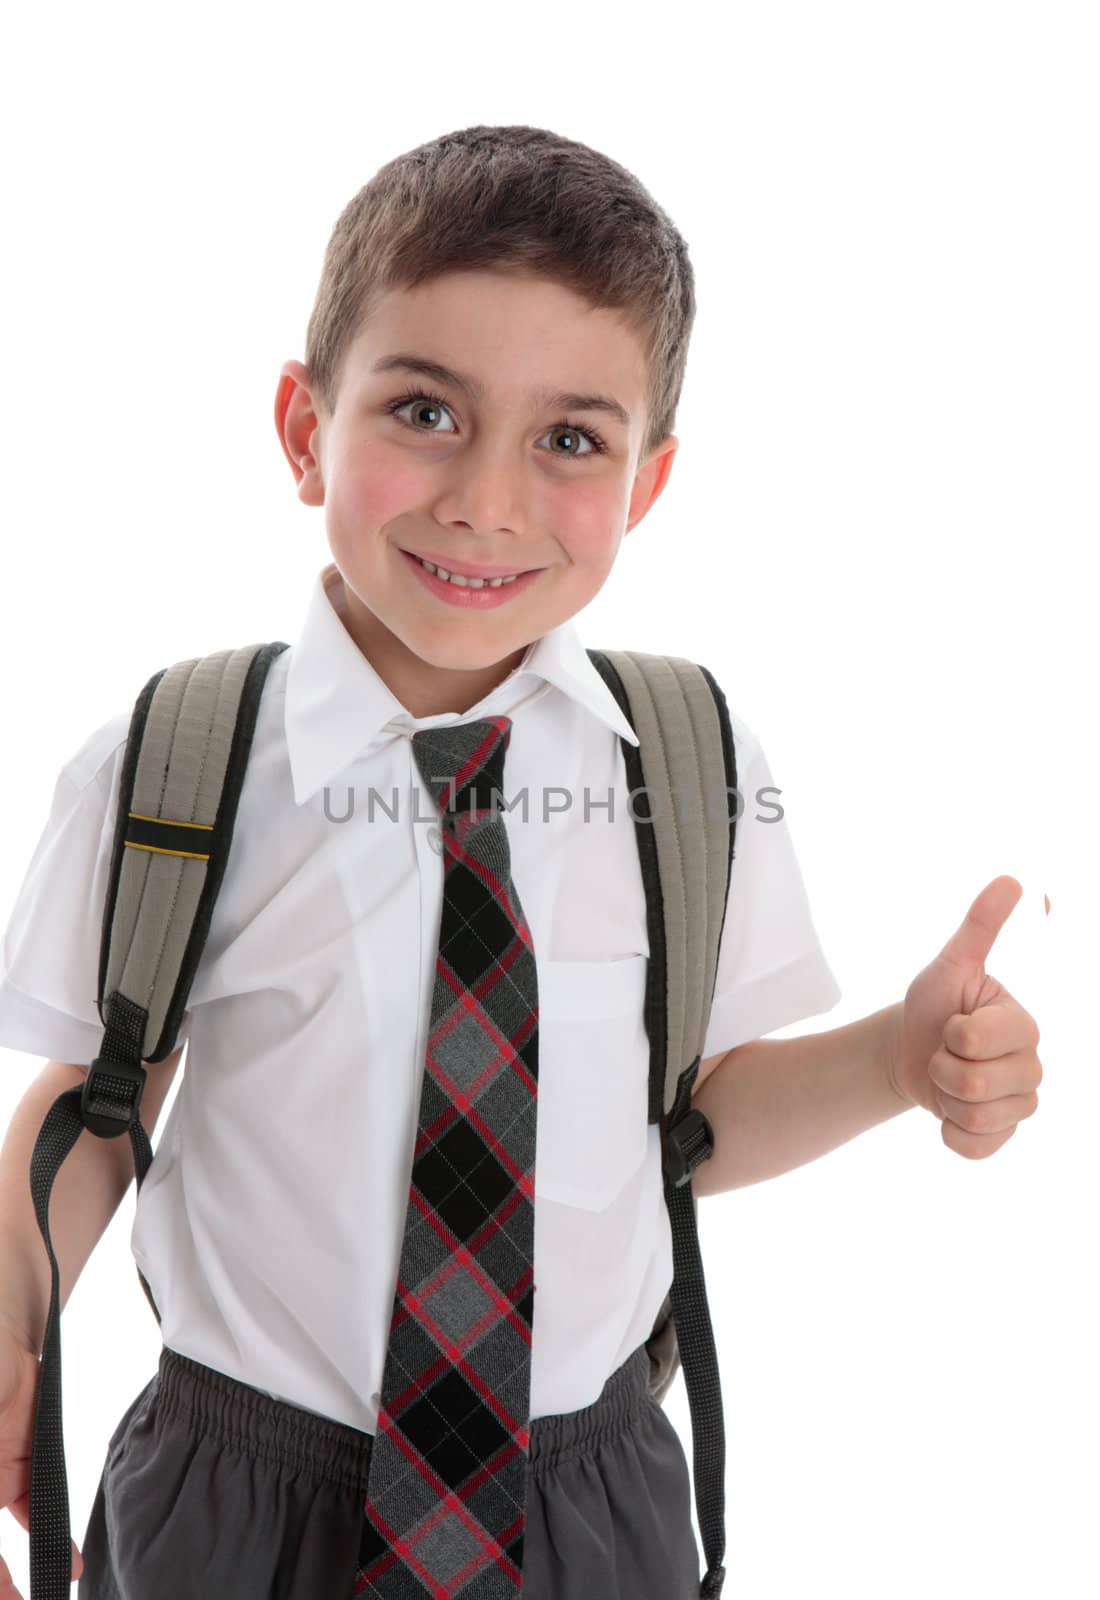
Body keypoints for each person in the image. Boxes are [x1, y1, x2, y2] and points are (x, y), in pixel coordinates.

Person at [0, 124, 1043, 1600]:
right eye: (424, 410)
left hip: (587, 1501)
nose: (485, 499)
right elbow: (102, 1105)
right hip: (240, 1498)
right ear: (305, 428)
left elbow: (691, 1119)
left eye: (569, 439)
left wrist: (894, 1062)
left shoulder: (684, 759)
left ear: (647, 482)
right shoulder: (178, 758)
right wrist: (10, 1328)